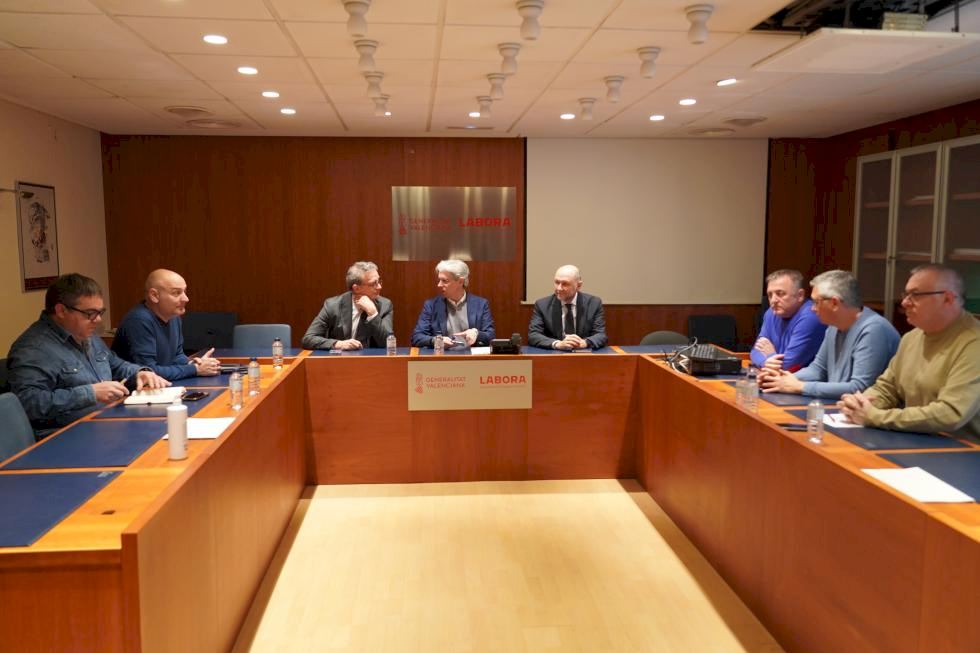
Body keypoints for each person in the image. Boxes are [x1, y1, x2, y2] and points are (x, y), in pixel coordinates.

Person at [7, 273, 169, 435]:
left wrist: (139, 373)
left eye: (100, 312)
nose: (98, 320)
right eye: (90, 313)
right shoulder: (33, 348)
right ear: (61, 310)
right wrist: (90, 393)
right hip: (65, 435)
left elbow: (115, 365)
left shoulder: (85, 333)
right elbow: (28, 403)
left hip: (106, 421)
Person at [839, 264, 980, 440]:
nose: (905, 302)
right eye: (906, 295)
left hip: (963, 448)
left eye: (916, 295)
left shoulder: (973, 343)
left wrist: (875, 416)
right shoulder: (911, 337)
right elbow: (887, 388)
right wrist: (860, 403)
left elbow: (950, 413)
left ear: (947, 299)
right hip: (918, 439)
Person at [758, 270, 899, 399]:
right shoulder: (833, 326)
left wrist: (801, 386)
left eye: (816, 302)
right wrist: (779, 379)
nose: (812, 309)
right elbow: (818, 369)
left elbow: (859, 388)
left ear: (834, 303)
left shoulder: (874, 330)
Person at [111, 269, 220, 381]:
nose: (186, 299)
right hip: (135, 389)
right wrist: (194, 369)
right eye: (176, 293)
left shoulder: (174, 317)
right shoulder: (138, 321)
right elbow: (148, 371)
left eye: (184, 292)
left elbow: (177, 356)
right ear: (154, 295)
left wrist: (193, 363)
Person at [302, 262, 394, 350]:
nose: (379, 287)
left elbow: (388, 343)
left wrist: (373, 313)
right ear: (356, 288)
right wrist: (338, 344)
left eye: (379, 281)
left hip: (372, 360)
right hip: (341, 359)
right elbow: (308, 339)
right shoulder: (333, 305)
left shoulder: (385, 305)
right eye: (374, 283)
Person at [750, 269, 826, 372]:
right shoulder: (771, 313)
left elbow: (789, 366)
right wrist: (766, 362)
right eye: (770, 295)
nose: (773, 300)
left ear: (800, 295)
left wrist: (770, 355)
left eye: (780, 293)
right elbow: (755, 351)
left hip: (802, 380)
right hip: (777, 377)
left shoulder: (811, 316)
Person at [411, 259, 495, 348]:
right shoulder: (431, 305)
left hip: (471, 356)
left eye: (444, 281)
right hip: (443, 355)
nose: (439, 285)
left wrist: (477, 334)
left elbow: (490, 336)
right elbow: (417, 337)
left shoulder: (481, 304)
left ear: (460, 281)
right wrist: (436, 340)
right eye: (439, 280)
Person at [528, 264, 608, 350]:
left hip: (583, 354)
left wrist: (584, 343)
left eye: (565, 284)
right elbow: (533, 335)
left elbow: (600, 335)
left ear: (578, 286)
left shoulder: (593, 303)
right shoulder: (542, 305)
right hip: (554, 354)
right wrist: (558, 344)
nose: (559, 288)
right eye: (557, 282)